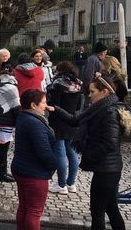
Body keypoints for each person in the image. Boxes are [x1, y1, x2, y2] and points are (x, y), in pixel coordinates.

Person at [49, 75, 130, 230]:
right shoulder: (99, 108)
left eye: (92, 91)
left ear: (104, 92)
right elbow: (75, 120)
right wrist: (56, 109)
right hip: (109, 170)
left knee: (98, 212)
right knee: (111, 209)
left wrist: (90, 155)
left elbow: (110, 143)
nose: (89, 94)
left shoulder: (109, 112)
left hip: (107, 171)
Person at [11, 89, 58, 230]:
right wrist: (54, 165)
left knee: (24, 207)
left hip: (21, 169)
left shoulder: (23, 117)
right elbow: (44, 152)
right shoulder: (35, 124)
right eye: (43, 103)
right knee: (34, 211)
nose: (46, 105)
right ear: (33, 105)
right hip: (34, 174)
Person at [46, 61, 83, 195]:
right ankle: (71, 183)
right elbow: (78, 106)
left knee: (60, 153)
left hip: (58, 121)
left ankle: (61, 185)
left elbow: (53, 104)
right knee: (72, 153)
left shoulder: (58, 84)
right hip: (71, 120)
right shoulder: (78, 84)